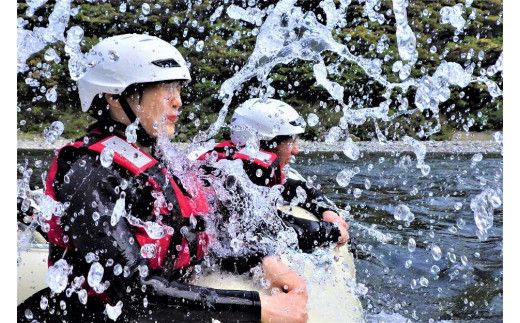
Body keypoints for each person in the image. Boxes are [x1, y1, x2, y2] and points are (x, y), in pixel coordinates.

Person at [17, 34, 308, 323]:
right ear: (116, 98)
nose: (178, 102)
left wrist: (260, 261)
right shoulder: (91, 174)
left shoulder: (159, 162)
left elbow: (193, 245)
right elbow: (134, 293)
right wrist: (258, 308)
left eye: (178, 89)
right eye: (165, 89)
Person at [198, 98, 350, 253]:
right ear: (268, 143)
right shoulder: (233, 179)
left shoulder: (244, 167)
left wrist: (327, 211)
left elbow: (295, 188)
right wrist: (331, 232)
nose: (296, 150)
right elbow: (270, 229)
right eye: (291, 142)